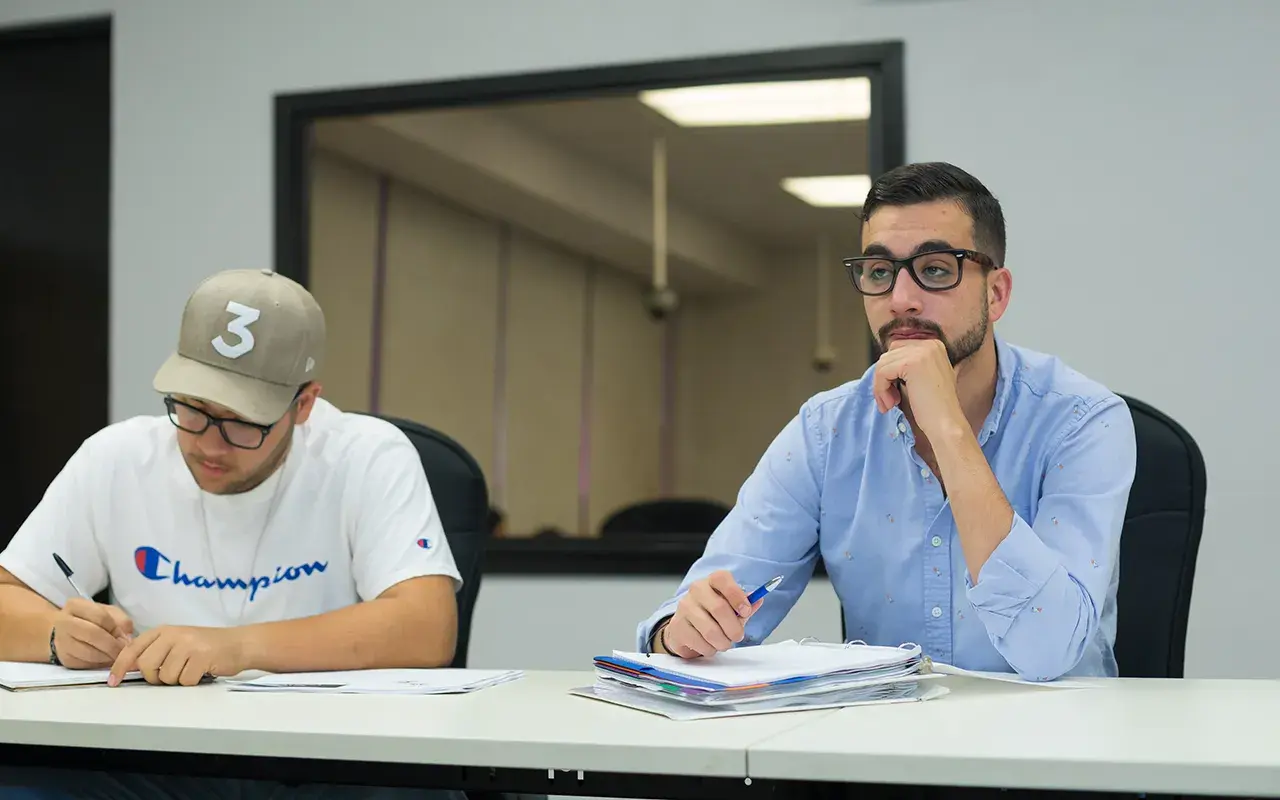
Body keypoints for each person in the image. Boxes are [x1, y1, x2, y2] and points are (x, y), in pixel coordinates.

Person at [637, 162, 1137, 681]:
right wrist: (681, 630)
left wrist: (947, 429)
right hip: (885, 747)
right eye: (879, 273)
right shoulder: (825, 432)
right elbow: (696, 615)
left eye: (937, 270)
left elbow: (1051, 650)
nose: (900, 300)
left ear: (996, 293)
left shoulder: (1083, 421)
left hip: (1055, 744)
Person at [0, 268, 465, 799]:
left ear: (304, 404)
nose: (209, 445)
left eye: (243, 421)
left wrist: (233, 649)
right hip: (159, 756)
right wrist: (59, 637)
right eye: (193, 409)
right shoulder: (118, 457)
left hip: (328, 757)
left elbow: (428, 626)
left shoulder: (368, 455)